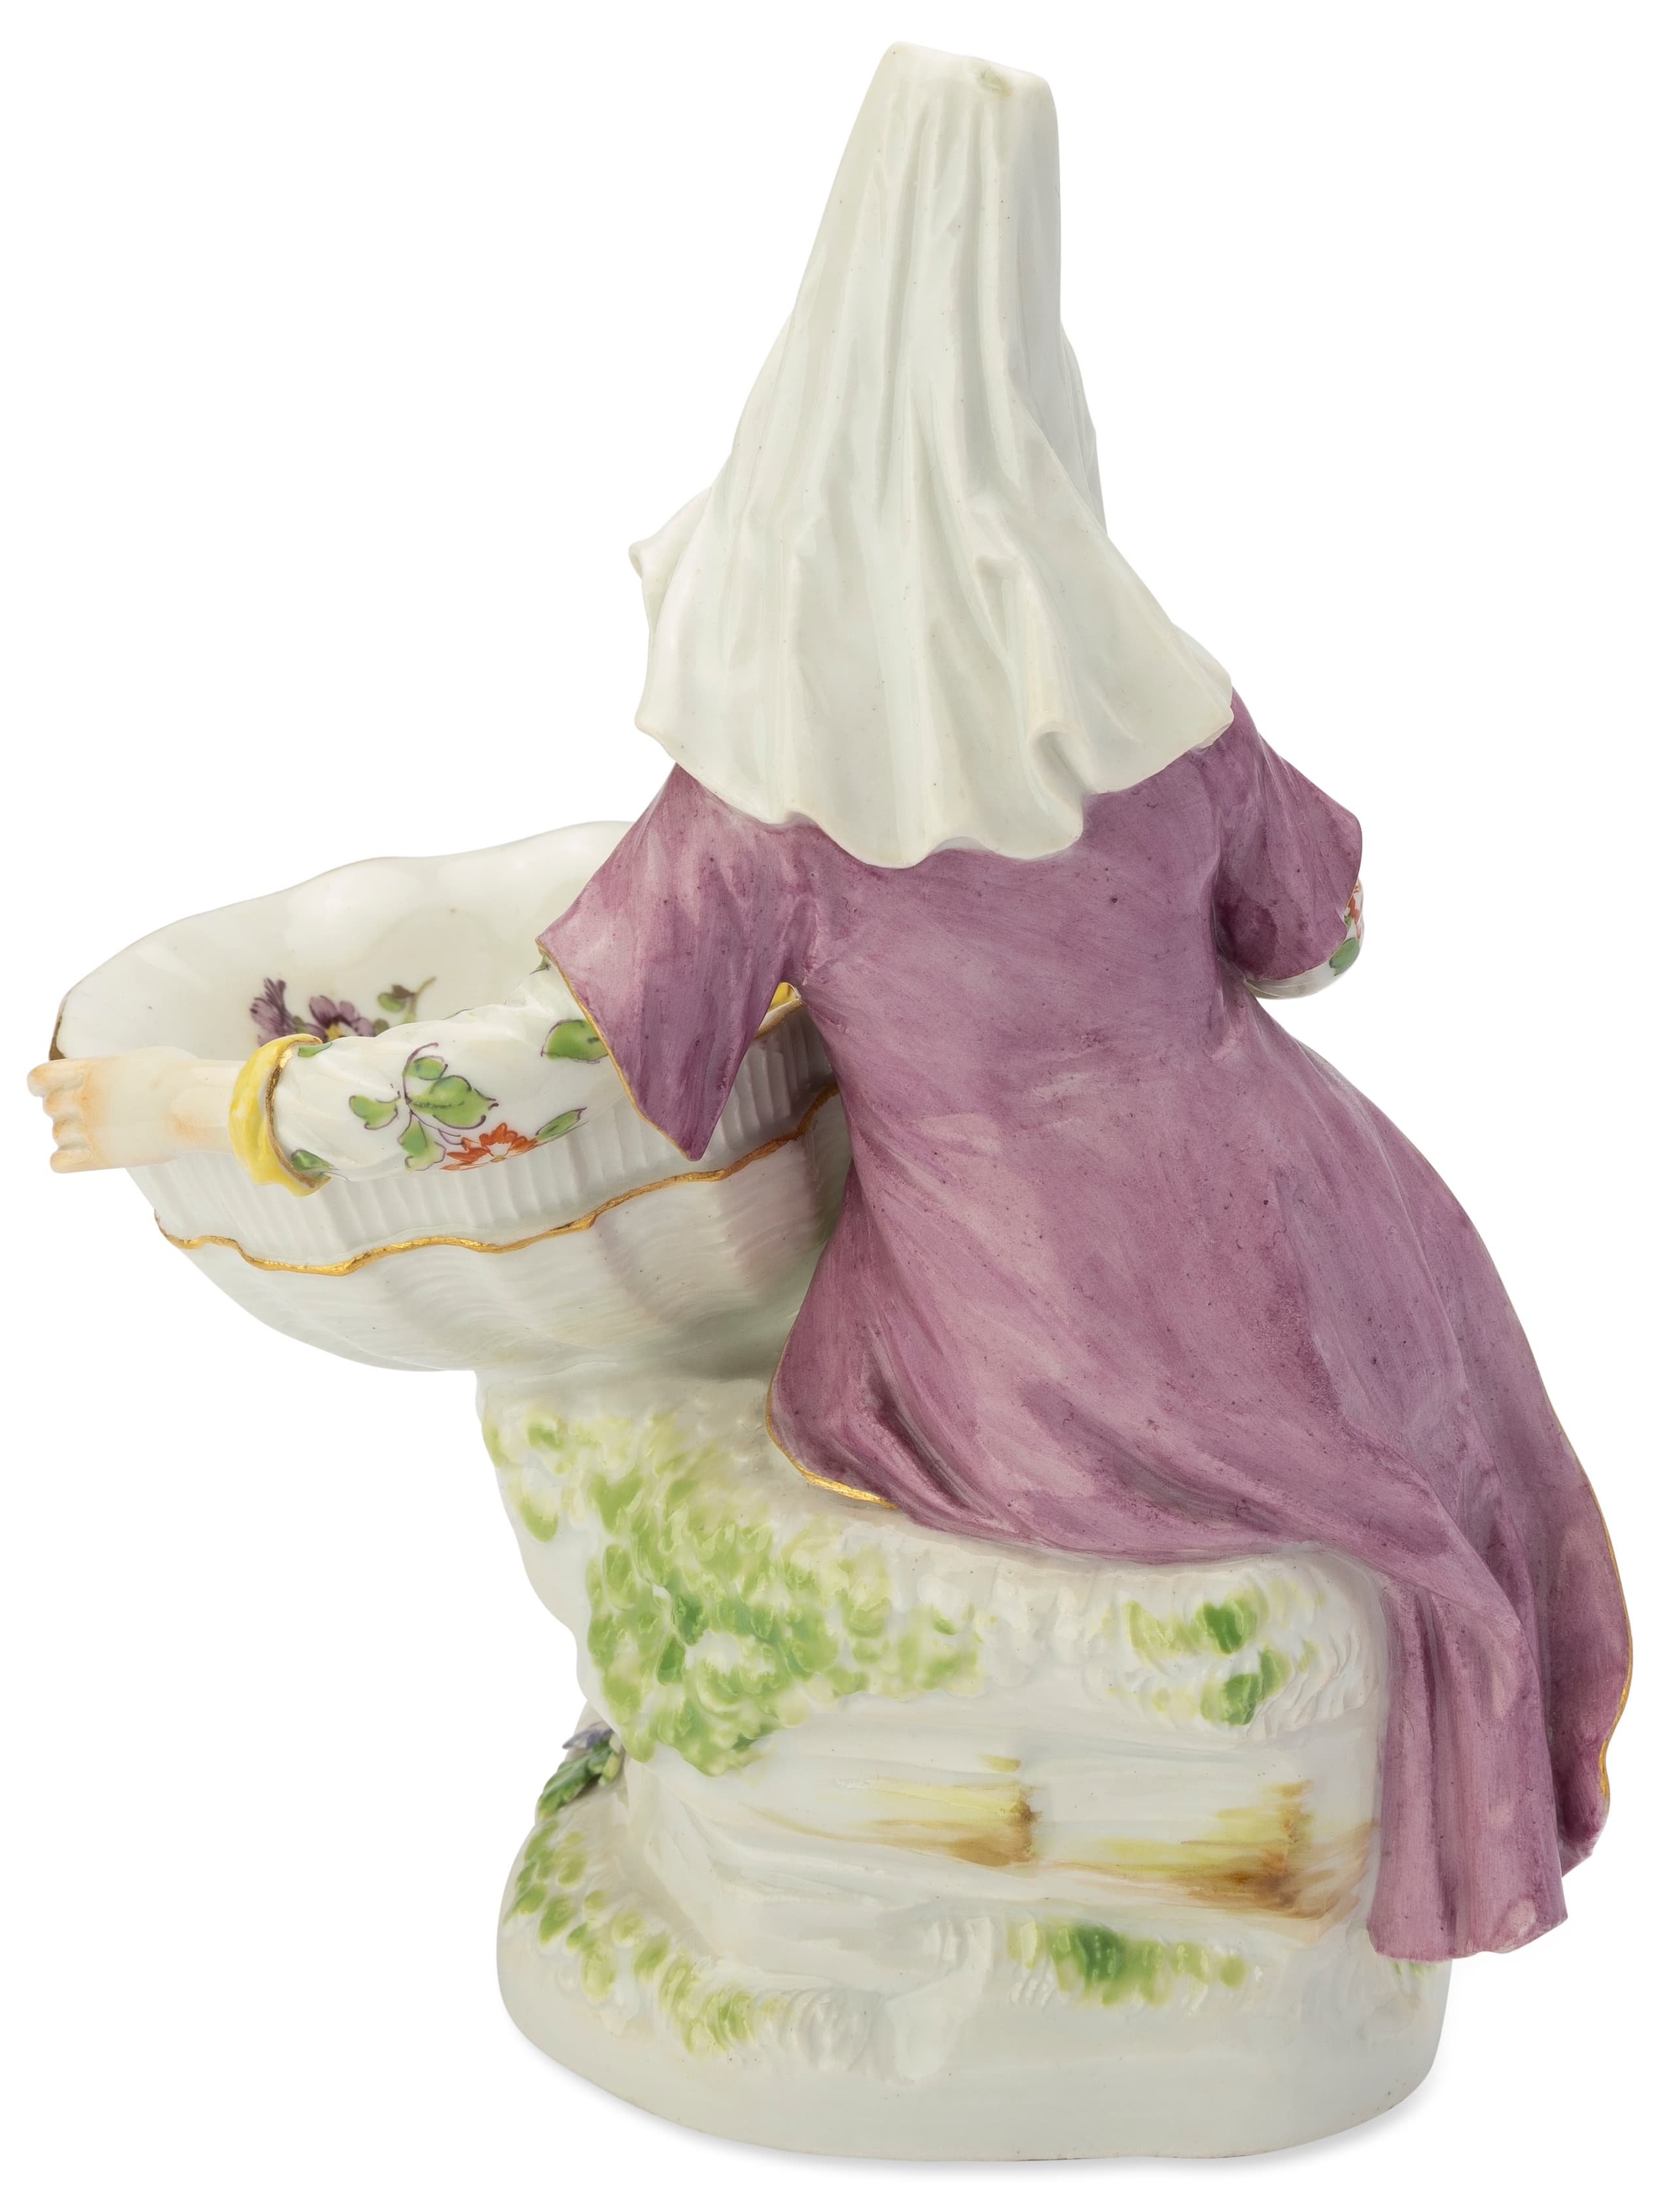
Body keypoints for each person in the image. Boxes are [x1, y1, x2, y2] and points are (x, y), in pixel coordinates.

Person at [32, 43, 1628, 1965]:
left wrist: (209, 1106)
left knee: (811, 1397)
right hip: (1328, 1233)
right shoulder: (1161, 700)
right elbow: (1324, 938)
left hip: (1041, 1325)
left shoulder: (777, 798)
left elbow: (541, 1075)